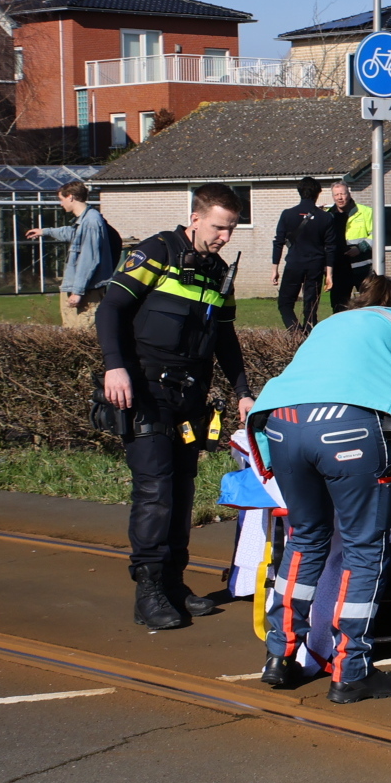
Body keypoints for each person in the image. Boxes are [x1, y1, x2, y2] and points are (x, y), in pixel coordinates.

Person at [247, 273, 391, 702]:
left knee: (304, 538)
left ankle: (279, 655)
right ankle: (351, 671)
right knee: (364, 549)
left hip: (282, 423)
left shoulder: (329, 324)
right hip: (350, 427)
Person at [98, 184, 253, 630]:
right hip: (143, 389)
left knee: (182, 492)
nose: (225, 236)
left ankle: (172, 583)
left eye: (232, 229)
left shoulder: (218, 272)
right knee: (156, 491)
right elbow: (111, 310)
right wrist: (115, 368)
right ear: (196, 218)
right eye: (220, 227)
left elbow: (224, 337)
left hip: (190, 397)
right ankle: (147, 591)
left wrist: (242, 389)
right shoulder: (157, 252)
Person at [25, 179, 120, 331]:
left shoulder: (91, 222)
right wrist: (44, 231)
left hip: (87, 291)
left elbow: (89, 260)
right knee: (71, 333)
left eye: (61, 199)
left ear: (70, 197)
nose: (61, 204)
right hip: (81, 288)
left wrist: (77, 292)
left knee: (81, 333)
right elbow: (71, 233)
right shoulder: (85, 220)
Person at [269, 176, 339, 331]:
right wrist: (329, 274)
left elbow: (278, 242)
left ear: (299, 192)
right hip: (316, 265)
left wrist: (275, 269)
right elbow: (330, 247)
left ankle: (296, 334)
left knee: (285, 304)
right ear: (317, 193)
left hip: (294, 264)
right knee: (311, 306)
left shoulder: (287, 214)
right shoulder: (326, 217)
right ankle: (308, 335)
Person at [328, 180, 374, 314]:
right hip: (340, 268)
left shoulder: (365, 212)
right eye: (336, 195)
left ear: (349, 193)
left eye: (343, 194)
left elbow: (377, 234)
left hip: (363, 266)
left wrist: (361, 248)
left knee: (368, 303)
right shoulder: (329, 215)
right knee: (339, 305)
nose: (340, 198)